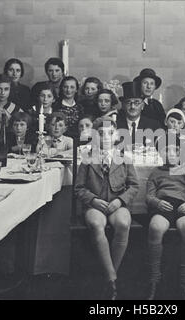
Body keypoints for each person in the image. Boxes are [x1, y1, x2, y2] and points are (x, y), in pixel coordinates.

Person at [75, 117, 139, 300]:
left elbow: (134, 185)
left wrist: (120, 201)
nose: (105, 137)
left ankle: (110, 278)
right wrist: (93, 200)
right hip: (95, 204)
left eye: (110, 133)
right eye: (101, 133)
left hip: (116, 203)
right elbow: (79, 188)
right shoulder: (87, 158)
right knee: (96, 224)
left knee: (123, 223)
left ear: (117, 135)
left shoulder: (124, 157)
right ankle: (111, 278)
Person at [145, 143, 185, 300]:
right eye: (166, 150)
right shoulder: (156, 172)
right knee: (155, 227)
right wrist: (157, 203)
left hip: (183, 206)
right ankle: (155, 279)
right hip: (163, 205)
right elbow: (149, 196)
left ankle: (184, 281)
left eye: (176, 150)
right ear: (161, 154)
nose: (171, 154)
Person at [116, 81, 163, 149]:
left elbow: (160, 150)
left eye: (137, 103)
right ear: (123, 105)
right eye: (128, 102)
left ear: (143, 105)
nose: (133, 107)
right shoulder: (115, 125)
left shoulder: (154, 126)